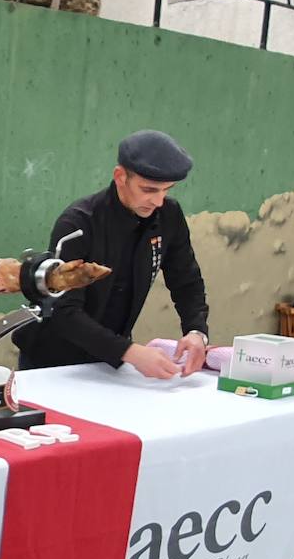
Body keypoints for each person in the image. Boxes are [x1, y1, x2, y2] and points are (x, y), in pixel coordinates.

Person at [13, 130, 210, 380]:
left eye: (166, 190)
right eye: (148, 190)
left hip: (111, 361)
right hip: (54, 363)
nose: (158, 201)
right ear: (120, 176)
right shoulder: (78, 223)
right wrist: (129, 352)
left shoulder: (169, 215)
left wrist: (196, 331)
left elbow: (186, 280)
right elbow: (64, 311)